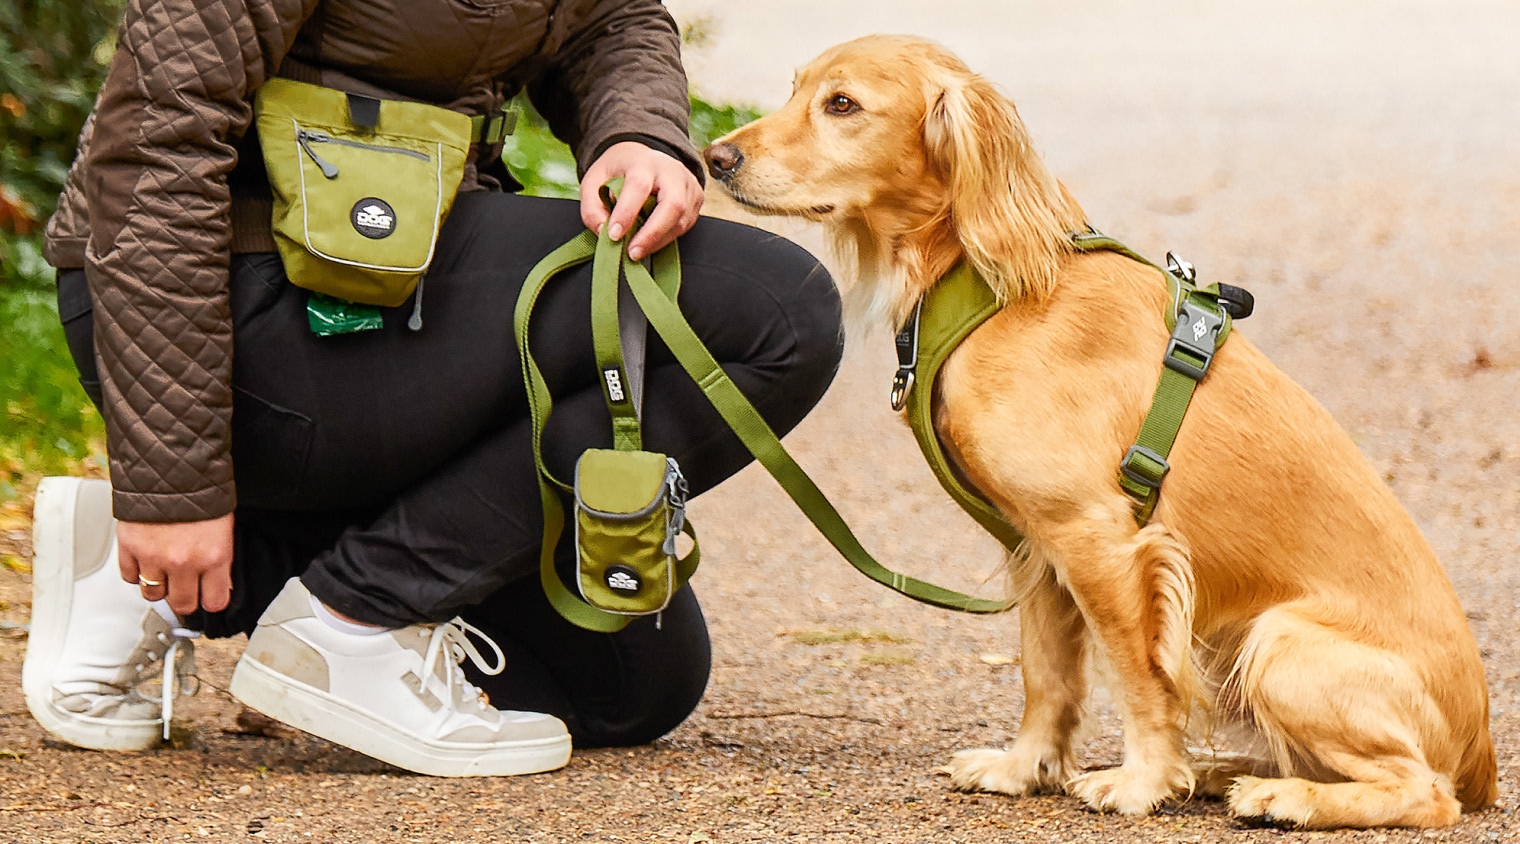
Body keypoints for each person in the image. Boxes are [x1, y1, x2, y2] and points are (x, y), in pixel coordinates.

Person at [23, 0, 842, 777]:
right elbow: (153, 159)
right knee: (777, 313)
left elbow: (611, 17)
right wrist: (173, 485)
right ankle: (353, 621)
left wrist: (639, 132)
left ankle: (150, 592)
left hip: (398, 273)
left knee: (626, 685)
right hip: (239, 304)